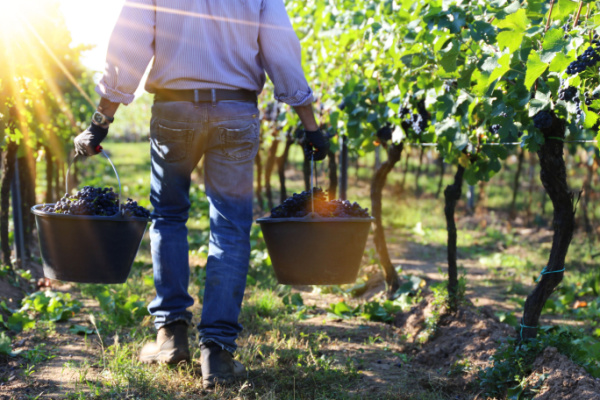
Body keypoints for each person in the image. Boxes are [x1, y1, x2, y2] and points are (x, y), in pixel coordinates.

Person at [73, 0, 329, 389]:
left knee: (169, 217)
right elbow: (281, 52)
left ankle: (171, 336)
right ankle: (218, 354)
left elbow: (129, 45)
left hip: (174, 112)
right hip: (236, 111)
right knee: (229, 227)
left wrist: (101, 121)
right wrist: (311, 125)